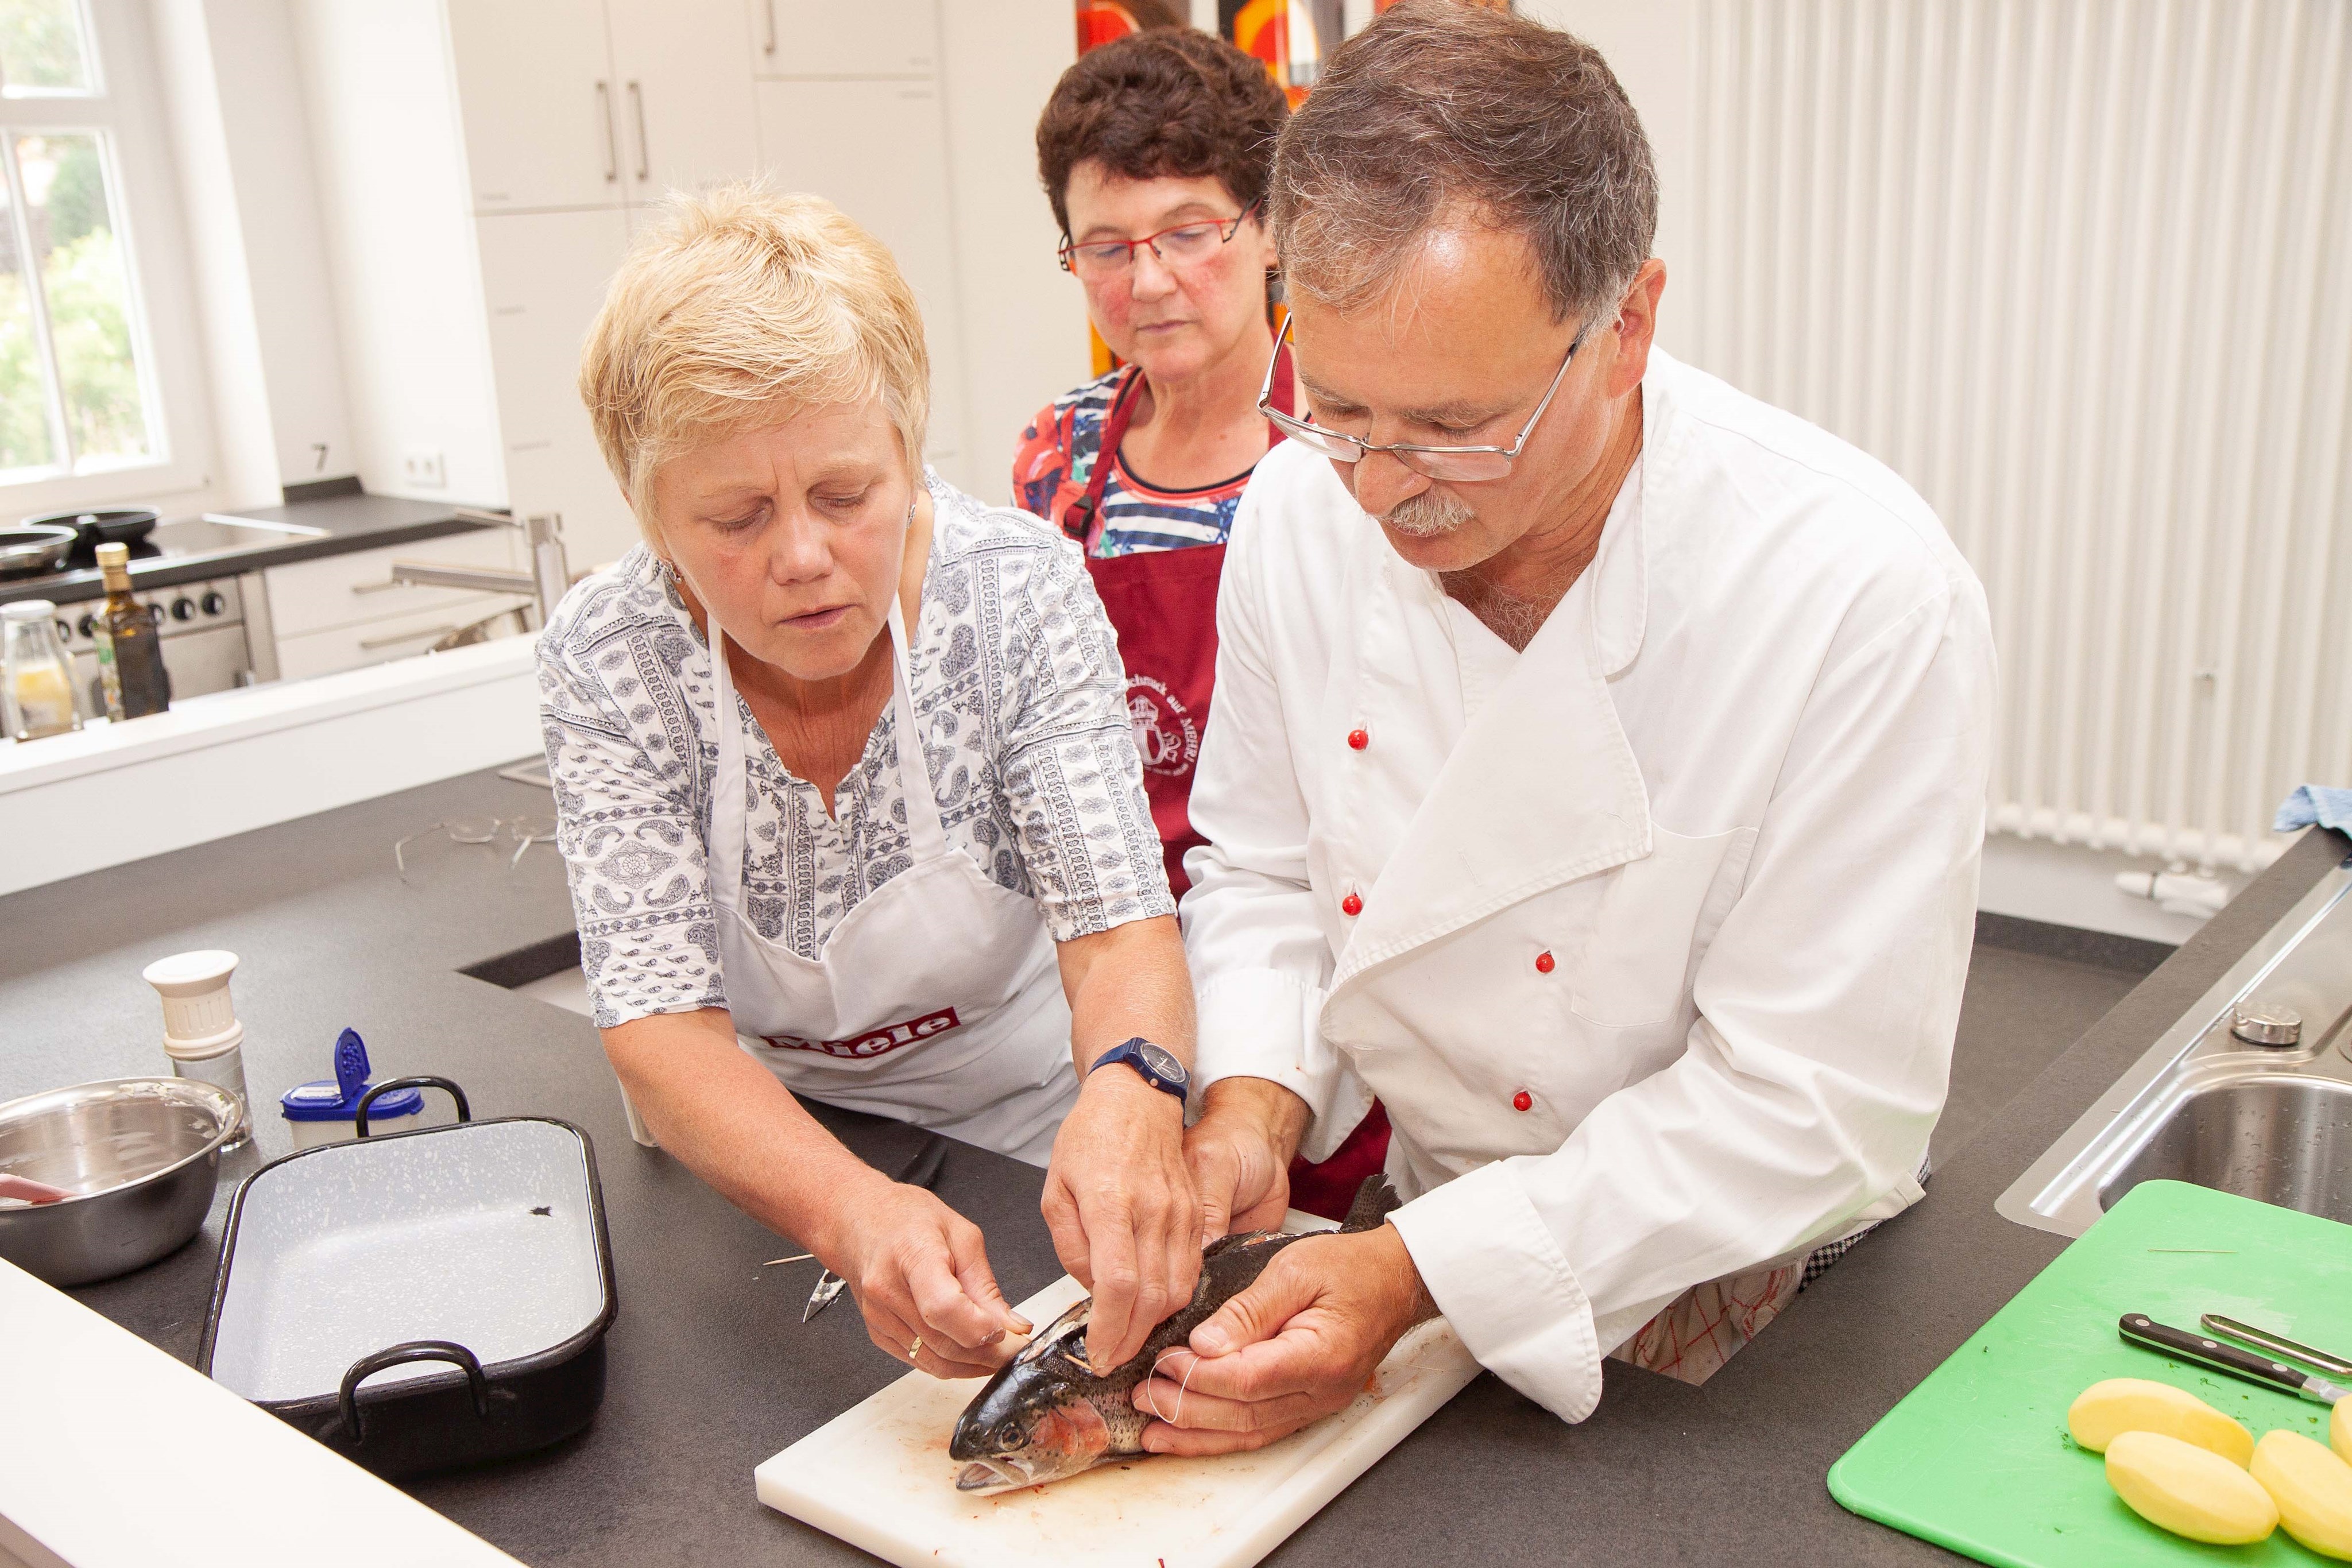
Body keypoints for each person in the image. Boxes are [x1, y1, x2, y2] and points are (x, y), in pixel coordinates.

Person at [1142, 1, 1998, 1451]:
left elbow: (1812, 1104)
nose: (1379, 487)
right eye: (1335, 407)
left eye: (1455, 426)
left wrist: (1417, 1271)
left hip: (1751, 1284)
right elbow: (1263, 866)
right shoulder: (1297, 507)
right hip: (1414, 1231)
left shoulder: (1854, 589)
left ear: (1627, 327)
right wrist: (1248, 1109)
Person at [540, 187, 1202, 1380]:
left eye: (845, 496)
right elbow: (662, 1032)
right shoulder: (608, 657)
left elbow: (1116, 936)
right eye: (735, 517)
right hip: (769, 1150)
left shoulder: (1015, 596)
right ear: (649, 517)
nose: (801, 558)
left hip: (1026, 1126)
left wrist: (1134, 1089)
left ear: (908, 449)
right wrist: (850, 1210)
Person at [1020, 28, 1390, 1222]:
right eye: (1107, 246)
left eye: (1189, 231)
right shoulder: (1059, 456)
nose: (1149, 280)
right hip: (1123, 968)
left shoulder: (1346, 451)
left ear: (1269, 227)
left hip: (1319, 955)